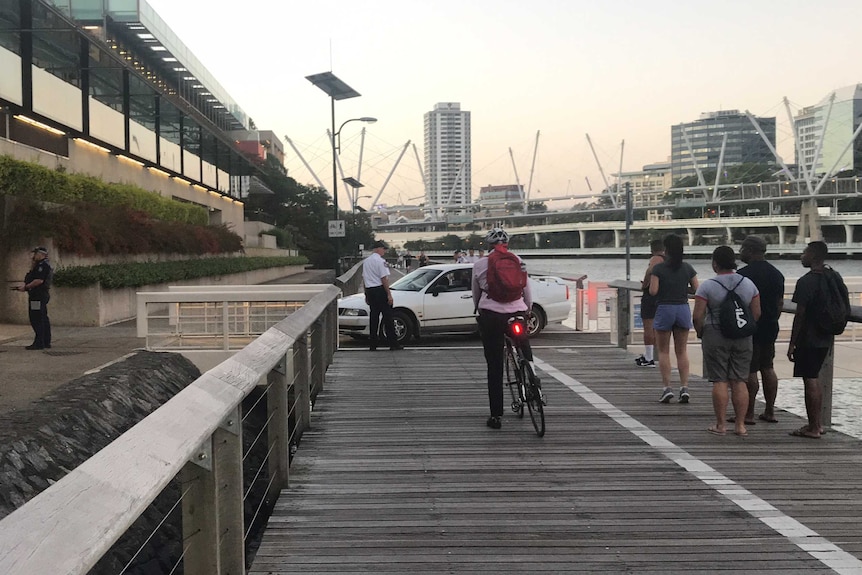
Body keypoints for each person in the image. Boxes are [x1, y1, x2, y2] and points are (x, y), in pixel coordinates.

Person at [693, 246, 761, 437]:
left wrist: (701, 333)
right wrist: (744, 328)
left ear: (715, 264)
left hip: (715, 334)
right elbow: (756, 313)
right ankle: (740, 425)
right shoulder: (749, 284)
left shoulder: (707, 286)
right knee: (740, 379)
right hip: (743, 336)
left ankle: (721, 425)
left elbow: (698, 316)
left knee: (720, 379)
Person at [472, 227, 534, 430]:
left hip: (492, 316)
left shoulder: (480, 264)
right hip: (517, 312)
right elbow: (526, 289)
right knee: (524, 348)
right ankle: (533, 382)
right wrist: (527, 309)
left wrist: (477, 309)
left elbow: (476, 293)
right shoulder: (519, 261)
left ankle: (496, 416)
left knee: (495, 366)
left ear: (488, 245)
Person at [787, 241, 849, 439]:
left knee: (810, 379)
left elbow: (800, 314)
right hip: (826, 336)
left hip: (809, 337)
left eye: (804, 252)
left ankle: (814, 427)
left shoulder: (806, 281)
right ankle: (817, 424)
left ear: (813, 255)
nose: (801, 256)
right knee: (813, 377)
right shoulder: (833, 275)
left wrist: (792, 342)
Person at [737, 235, 784, 424]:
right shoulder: (776, 274)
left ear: (749, 250)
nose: (740, 252)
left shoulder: (743, 275)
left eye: (742, 249)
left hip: (749, 325)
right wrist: (773, 318)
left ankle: (748, 413)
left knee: (750, 369)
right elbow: (780, 303)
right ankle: (770, 410)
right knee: (768, 367)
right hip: (771, 324)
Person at [649, 233, 698, 404]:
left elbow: (653, 291)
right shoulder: (687, 268)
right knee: (682, 351)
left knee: (663, 351)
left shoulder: (659, 269)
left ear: (666, 250)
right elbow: (697, 289)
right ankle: (684, 387)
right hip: (683, 308)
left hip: (665, 308)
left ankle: (667, 388)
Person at [362, 240, 403, 351]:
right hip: (380, 290)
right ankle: (393, 343)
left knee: (374, 317)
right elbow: (384, 278)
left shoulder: (366, 262)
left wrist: (366, 293)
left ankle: (373, 343)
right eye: (383, 249)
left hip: (370, 290)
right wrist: (389, 294)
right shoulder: (380, 261)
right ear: (378, 249)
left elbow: (364, 279)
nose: (384, 251)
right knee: (388, 316)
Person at [15, 246, 53, 350]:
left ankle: (40, 342)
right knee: (42, 318)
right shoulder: (42, 265)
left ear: (41, 254)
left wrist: (26, 287)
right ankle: (45, 341)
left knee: (36, 318)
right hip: (39, 295)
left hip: (38, 296)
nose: (34, 256)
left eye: (35, 254)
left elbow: (39, 280)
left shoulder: (42, 265)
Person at [635, 239, 665, 367]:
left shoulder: (656, 258)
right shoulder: (670, 260)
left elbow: (650, 270)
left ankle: (649, 357)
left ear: (652, 249)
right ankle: (657, 356)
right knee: (659, 328)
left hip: (651, 295)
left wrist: (645, 283)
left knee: (648, 327)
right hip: (663, 296)